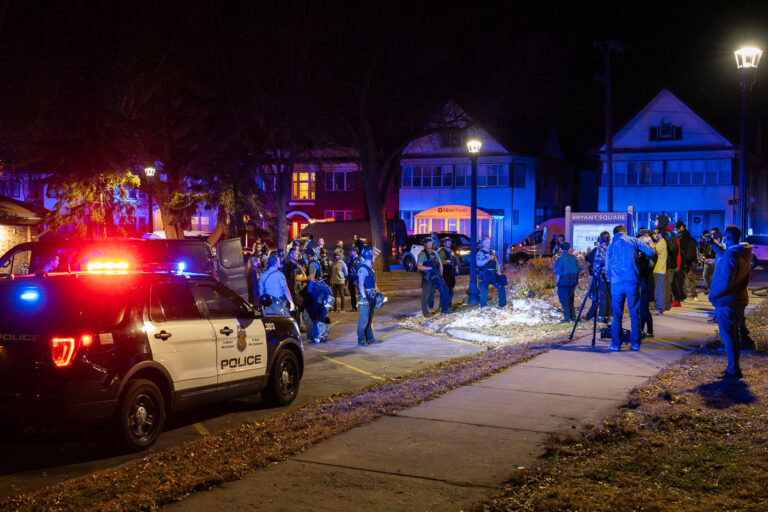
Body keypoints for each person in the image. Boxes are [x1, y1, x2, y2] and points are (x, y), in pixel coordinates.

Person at [709, 226, 752, 378]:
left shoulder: (730, 256)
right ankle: (734, 367)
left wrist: (712, 297)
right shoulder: (742, 253)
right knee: (734, 335)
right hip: (739, 299)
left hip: (727, 302)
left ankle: (733, 369)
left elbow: (724, 281)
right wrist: (713, 244)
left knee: (729, 337)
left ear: (727, 238)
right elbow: (726, 253)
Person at [605, 225, 654, 351]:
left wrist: (612, 279)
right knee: (634, 313)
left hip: (616, 283)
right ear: (624, 232)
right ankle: (635, 343)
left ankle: (616, 344)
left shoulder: (611, 246)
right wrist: (650, 242)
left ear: (614, 234)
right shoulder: (634, 240)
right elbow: (650, 252)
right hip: (632, 281)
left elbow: (607, 268)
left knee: (617, 314)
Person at [357, 248, 382, 346]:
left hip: (371, 295)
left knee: (369, 319)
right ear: (369, 256)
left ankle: (370, 338)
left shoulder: (370, 268)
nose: (375, 257)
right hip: (365, 296)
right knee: (364, 319)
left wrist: (377, 291)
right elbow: (361, 284)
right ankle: (361, 339)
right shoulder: (363, 269)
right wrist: (364, 298)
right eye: (373, 255)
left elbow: (373, 282)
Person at [417, 237, 449, 316]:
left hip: (437, 276)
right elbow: (419, 266)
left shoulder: (435, 253)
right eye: (429, 243)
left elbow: (440, 264)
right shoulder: (422, 254)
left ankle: (444, 309)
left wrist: (441, 273)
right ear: (425, 244)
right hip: (428, 277)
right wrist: (429, 268)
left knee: (445, 290)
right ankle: (425, 313)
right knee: (427, 294)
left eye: (431, 243)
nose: (430, 245)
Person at [585, 231, 611, 322]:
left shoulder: (599, 248)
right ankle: (610, 315)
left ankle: (601, 316)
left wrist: (595, 273)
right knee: (610, 296)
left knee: (601, 296)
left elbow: (595, 261)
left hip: (602, 276)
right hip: (611, 276)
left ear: (600, 239)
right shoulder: (611, 247)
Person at [636, 229, 657, 337]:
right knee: (643, 307)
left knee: (643, 307)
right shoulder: (650, 253)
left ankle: (643, 330)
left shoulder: (648, 255)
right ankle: (648, 330)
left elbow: (646, 268)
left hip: (646, 281)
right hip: (647, 280)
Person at [553, 242, 580, 322]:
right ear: (568, 249)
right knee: (571, 300)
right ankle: (573, 317)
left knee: (564, 301)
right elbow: (578, 270)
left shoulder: (560, 259)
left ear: (561, 249)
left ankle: (567, 319)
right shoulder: (573, 258)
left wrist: (557, 283)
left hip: (563, 283)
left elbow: (557, 273)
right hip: (572, 283)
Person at [477, 236, 506, 307]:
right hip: (484, 274)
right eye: (487, 242)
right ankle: (483, 307)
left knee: (501, 286)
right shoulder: (480, 253)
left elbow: (497, 263)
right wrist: (487, 259)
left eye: (489, 242)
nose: (489, 244)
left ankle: (502, 305)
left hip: (493, 274)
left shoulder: (492, 252)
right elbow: (478, 263)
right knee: (484, 290)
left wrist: (498, 271)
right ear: (482, 244)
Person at [675, 220, 699, 301]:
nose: (677, 230)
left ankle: (684, 296)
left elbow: (678, 250)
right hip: (689, 262)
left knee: (682, 280)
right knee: (690, 279)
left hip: (682, 262)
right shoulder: (691, 239)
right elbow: (696, 251)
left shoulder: (680, 238)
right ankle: (694, 295)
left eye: (677, 228)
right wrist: (695, 261)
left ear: (682, 227)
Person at [283, 248, 308, 325]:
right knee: (302, 306)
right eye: (295, 253)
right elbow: (292, 280)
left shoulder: (293, 264)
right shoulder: (291, 265)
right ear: (291, 254)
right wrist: (293, 293)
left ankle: (297, 324)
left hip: (292, 291)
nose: (297, 255)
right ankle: (299, 324)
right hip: (292, 292)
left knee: (294, 310)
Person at [438, 236, 459, 308]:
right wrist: (448, 262)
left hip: (451, 273)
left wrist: (456, 267)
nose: (449, 243)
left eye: (450, 242)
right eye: (448, 242)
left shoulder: (451, 251)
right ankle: (443, 306)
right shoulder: (442, 251)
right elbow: (441, 261)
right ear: (444, 243)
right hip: (445, 273)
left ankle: (449, 305)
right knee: (445, 290)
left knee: (451, 289)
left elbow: (455, 260)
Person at [652, 226, 668, 315]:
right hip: (659, 269)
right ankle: (660, 307)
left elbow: (652, 250)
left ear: (660, 234)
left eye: (657, 233)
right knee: (659, 289)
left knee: (659, 290)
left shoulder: (661, 244)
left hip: (660, 270)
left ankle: (660, 309)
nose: (655, 235)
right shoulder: (661, 243)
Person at [346, 247, 361, 312]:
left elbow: (363, 267)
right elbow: (347, 269)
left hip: (358, 279)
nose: (350, 252)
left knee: (361, 293)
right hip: (351, 278)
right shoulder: (349, 260)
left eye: (351, 251)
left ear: (355, 251)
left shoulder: (360, 259)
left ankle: (363, 306)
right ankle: (354, 307)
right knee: (352, 294)